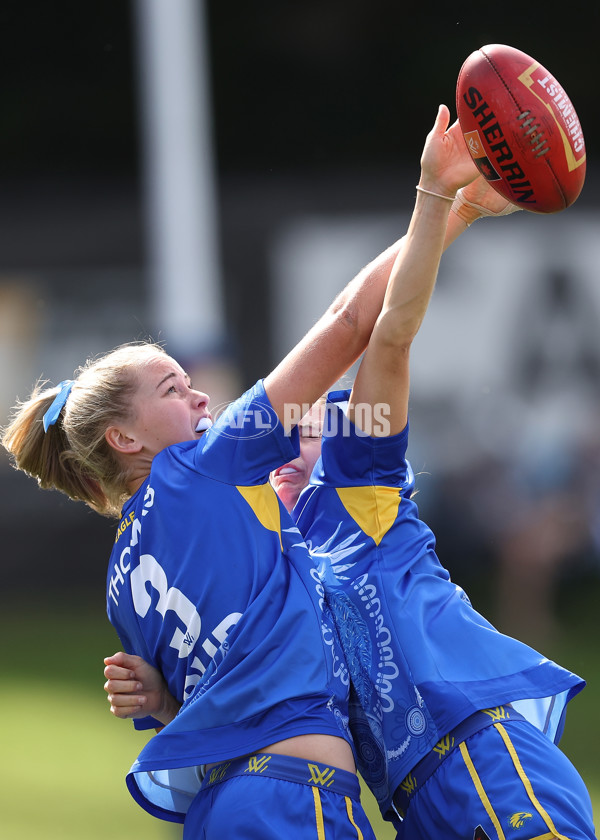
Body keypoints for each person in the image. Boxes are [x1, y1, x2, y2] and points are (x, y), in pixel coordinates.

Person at [2, 105, 484, 839]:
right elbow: (352, 325)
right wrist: (446, 207)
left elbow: (188, 707)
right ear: (123, 436)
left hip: (223, 812)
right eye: (171, 387)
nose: (198, 393)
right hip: (294, 796)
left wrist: (159, 698)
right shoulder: (206, 464)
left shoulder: (123, 580)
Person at [106, 144, 595, 839]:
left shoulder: (362, 491)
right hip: (408, 811)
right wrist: (167, 691)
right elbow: (250, 680)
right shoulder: (277, 583)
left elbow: (388, 334)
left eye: (325, 417)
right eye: (301, 420)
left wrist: (445, 205)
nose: (313, 420)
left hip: (478, 756)